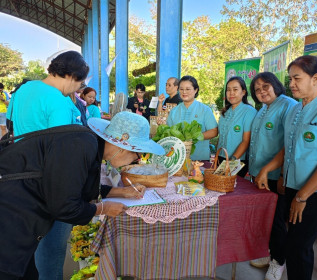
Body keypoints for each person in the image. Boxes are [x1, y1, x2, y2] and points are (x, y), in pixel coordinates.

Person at [0, 111, 164, 279]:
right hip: (11, 217)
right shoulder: (81, 145)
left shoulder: (88, 142)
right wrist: (102, 209)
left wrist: (122, 192)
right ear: (123, 145)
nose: (136, 159)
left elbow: (78, 187)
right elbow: (65, 206)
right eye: (137, 155)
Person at [256, 55, 317, 280]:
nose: (292, 84)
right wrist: (268, 170)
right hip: (292, 187)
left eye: (297, 78)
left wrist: (302, 197)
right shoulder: (295, 110)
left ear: (315, 78)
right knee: (291, 243)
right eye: (290, 79)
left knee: (299, 247)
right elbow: (287, 150)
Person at [5, 50, 89, 280]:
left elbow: (9, 127)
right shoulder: (59, 102)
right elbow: (64, 153)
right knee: (51, 254)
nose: (79, 88)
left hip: (20, 182)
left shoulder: (24, 90)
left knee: (29, 249)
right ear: (71, 75)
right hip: (50, 184)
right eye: (80, 82)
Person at [248, 72, 297, 279]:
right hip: (258, 174)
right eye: (257, 90)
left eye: (265, 86)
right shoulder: (261, 110)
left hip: (276, 176)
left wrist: (283, 176)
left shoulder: (289, 106)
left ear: (276, 85)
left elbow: (290, 144)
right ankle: (270, 254)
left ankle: (279, 261)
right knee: (264, 219)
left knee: (277, 221)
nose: (261, 92)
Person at [167, 75, 218, 160]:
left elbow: (214, 131)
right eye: (181, 89)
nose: (184, 92)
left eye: (188, 89)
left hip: (199, 159)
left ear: (195, 90)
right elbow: (169, 132)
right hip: (178, 158)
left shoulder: (205, 110)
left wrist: (194, 137)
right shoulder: (174, 111)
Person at [217, 76, 256, 177]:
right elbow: (220, 137)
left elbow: (246, 141)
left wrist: (231, 162)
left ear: (243, 92)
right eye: (228, 90)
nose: (231, 93)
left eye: (235, 89)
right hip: (220, 158)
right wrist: (217, 158)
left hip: (237, 160)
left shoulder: (249, 112)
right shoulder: (225, 112)